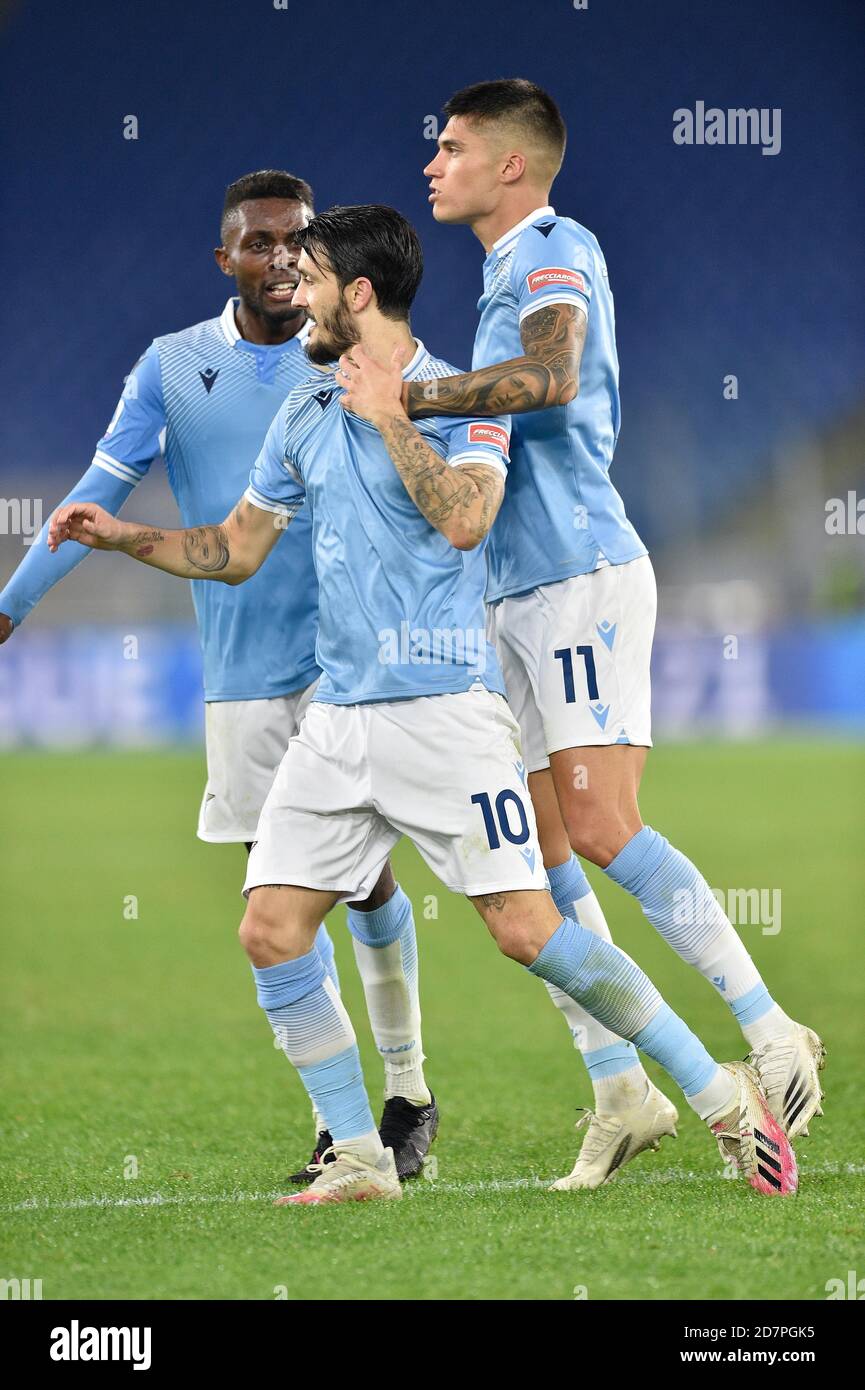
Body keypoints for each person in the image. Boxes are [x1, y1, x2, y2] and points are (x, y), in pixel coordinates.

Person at [48, 203, 798, 1205]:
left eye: (308, 278)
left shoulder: (457, 398)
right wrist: (121, 535)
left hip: (446, 715)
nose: (290, 292)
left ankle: (719, 1099)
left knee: (528, 931)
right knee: (270, 926)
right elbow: (233, 546)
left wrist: (396, 416)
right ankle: (360, 1156)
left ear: (357, 293)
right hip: (339, 721)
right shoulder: (303, 408)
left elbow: (465, 520)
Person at [366, 77, 824, 1189]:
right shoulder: (496, 270)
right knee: (535, 846)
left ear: (510, 165)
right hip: (515, 591)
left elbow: (554, 373)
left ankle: (769, 1029)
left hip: (579, 574)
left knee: (604, 825)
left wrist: (406, 403)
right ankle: (621, 1085)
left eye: (454, 146)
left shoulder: (549, 247)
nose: (433, 164)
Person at [0, 171, 438, 1182]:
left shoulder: (354, 356)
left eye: (298, 243)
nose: (282, 260)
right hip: (241, 672)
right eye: (260, 243)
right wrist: (12, 604)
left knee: (359, 876)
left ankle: (404, 1090)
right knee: (281, 897)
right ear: (225, 258)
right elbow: (94, 496)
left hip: (350, 661)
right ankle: (348, 1126)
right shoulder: (172, 366)